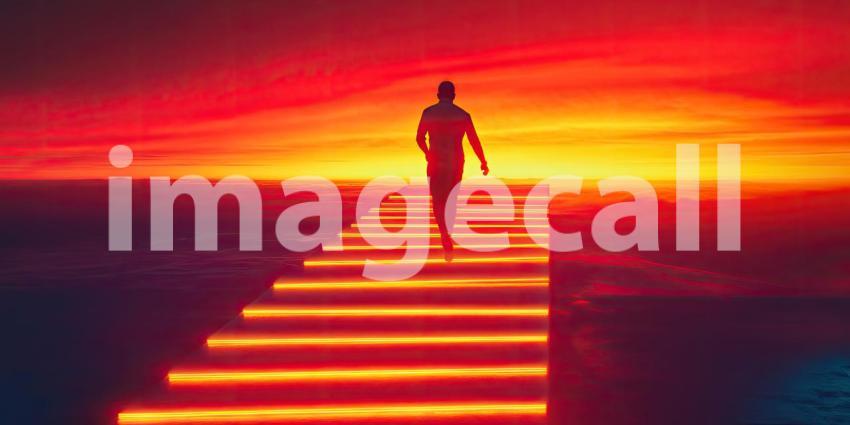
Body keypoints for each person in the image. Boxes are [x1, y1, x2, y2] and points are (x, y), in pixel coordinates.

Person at [415, 81, 489, 261]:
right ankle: (447, 229)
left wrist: (427, 152)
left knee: (437, 199)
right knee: (452, 198)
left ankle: (443, 232)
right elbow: (474, 140)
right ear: (454, 96)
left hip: (435, 161)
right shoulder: (462, 115)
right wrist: (483, 161)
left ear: (438, 95)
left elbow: (419, 138)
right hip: (455, 162)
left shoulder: (428, 113)